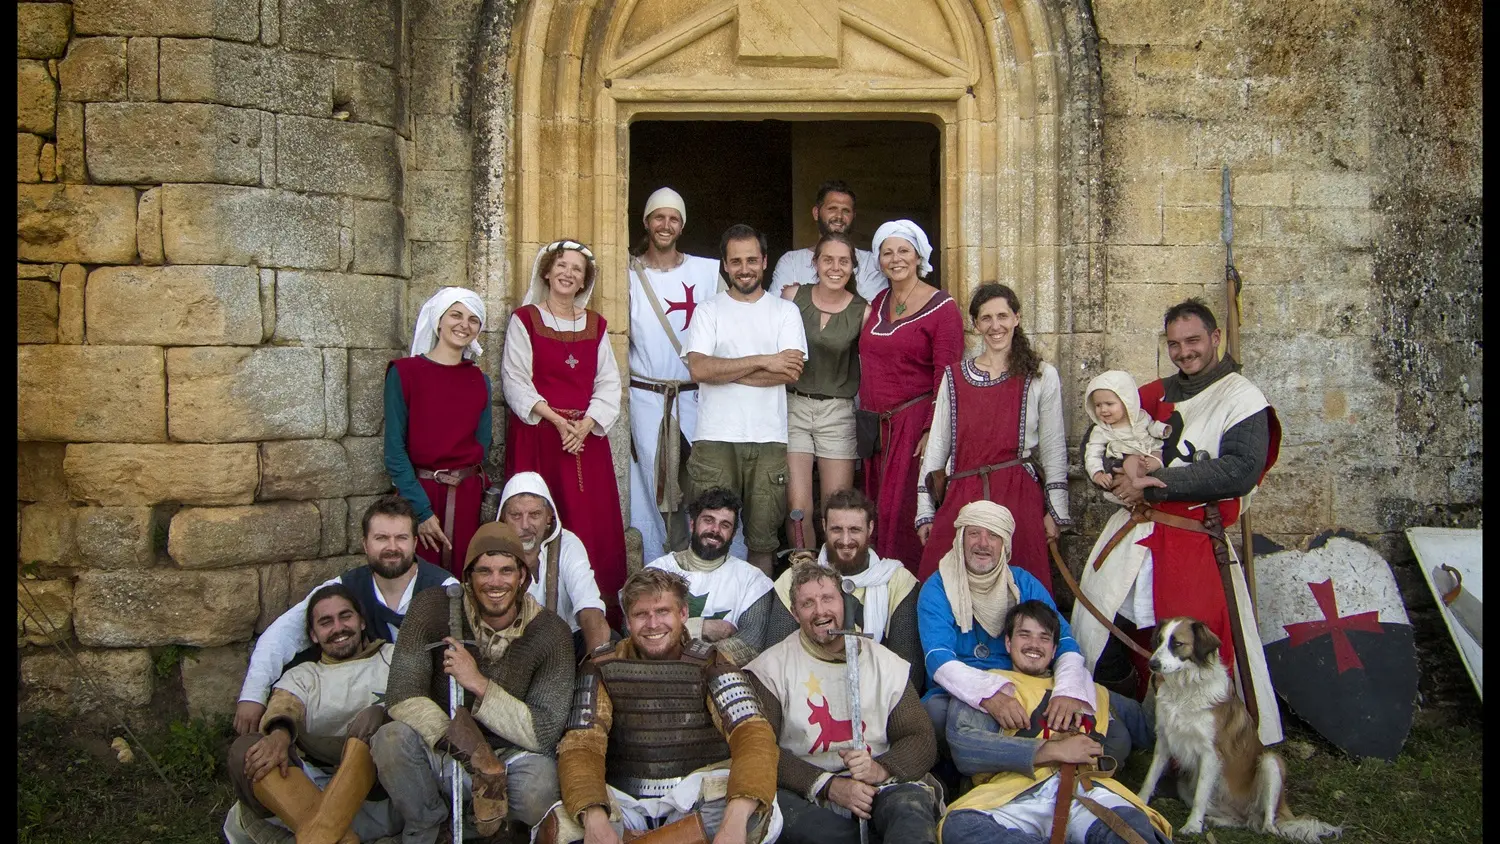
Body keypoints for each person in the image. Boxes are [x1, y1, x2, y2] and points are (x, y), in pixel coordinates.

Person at [1070, 298, 1282, 746]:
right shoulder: (1156, 392)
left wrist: (1154, 479)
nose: (1185, 352)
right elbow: (1101, 425)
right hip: (1136, 532)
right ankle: (1119, 725)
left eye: (1193, 341)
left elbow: (1239, 469)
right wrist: (1116, 476)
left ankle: (1197, 743)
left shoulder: (1242, 397)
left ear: (1215, 338)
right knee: (1098, 631)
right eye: (1175, 344)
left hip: (1192, 542)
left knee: (1190, 649)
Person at [538, 568, 783, 844]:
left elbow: (753, 735)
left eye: (663, 611)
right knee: (561, 828)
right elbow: (582, 745)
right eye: (641, 614)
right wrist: (595, 818)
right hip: (624, 801)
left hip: (695, 802)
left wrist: (734, 821)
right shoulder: (602, 666)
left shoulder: (710, 663)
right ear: (628, 621)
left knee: (760, 815)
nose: (653, 624)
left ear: (682, 614)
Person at [370, 521, 575, 840]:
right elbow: (403, 694)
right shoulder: (432, 608)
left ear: (521, 576)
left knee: (541, 789)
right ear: (468, 576)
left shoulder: (550, 633)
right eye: (484, 571)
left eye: (506, 571)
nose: (496, 582)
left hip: (510, 759)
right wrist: (469, 749)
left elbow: (541, 731)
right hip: (445, 751)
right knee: (390, 739)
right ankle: (429, 825)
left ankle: (481, 828)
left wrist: (478, 683)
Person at [938, 602, 1171, 844]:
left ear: (1055, 648)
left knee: (1132, 828)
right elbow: (965, 748)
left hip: (1089, 791)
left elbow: (1150, 729)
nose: (1034, 645)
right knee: (961, 827)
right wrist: (1052, 750)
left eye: (1044, 638)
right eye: (1024, 635)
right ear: (1008, 643)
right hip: (1015, 795)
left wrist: (1164, 682)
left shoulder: (1093, 691)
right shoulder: (989, 685)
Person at [745, 562, 939, 844]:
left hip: (878, 784)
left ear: (844, 602)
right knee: (787, 817)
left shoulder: (884, 664)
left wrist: (880, 769)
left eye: (827, 599)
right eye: (808, 603)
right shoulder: (771, 669)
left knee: (909, 811)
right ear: (795, 612)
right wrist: (828, 785)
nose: (820, 611)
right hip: (806, 788)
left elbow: (919, 737)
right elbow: (760, 750)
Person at [233, 495, 457, 737]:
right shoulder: (345, 588)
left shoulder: (445, 590)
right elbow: (281, 636)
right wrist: (253, 695)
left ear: (414, 542)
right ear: (365, 544)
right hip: (361, 713)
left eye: (401, 538)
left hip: (427, 713)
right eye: (381, 538)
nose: (392, 547)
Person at [502, 238, 628, 626]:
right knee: (534, 518)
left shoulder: (595, 326)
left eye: (577, 269)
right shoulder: (525, 319)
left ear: (583, 280)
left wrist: (586, 424)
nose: (568, 273)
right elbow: (516, 379)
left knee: (590, 523)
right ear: (547, 271)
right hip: (541, 436)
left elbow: (609, 383)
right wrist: (558, 421)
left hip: (585, 442)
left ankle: (594, 615)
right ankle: (528, 608)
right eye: (562, 265)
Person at [917, 502, 1096, 766]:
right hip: (963, 692)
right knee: (937, 714)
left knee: (1095, 707)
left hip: (1025, 685)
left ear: (1005, 545)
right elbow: (938, 660)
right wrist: (989, 695)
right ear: (960, 539)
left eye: (993, 535)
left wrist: (1068, 690)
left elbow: (1065, 641)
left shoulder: (1023, 583)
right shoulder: (938, 588)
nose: (983, 543)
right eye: (974, 533)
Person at [915, 283, 1071, 585]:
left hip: (1018, 494)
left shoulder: (1041, 375)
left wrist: (1055, 510)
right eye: (986, 318)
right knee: (942, 582)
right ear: (976, 324)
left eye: (1002, 316)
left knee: (1021, 587)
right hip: (962, 494)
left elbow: (1053, 447)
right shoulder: (954, 377)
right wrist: (926, 511)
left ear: (1017, 318)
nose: (995, 325)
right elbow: (936, 446)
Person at [224, 584, 400, 844]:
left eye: (346, 616)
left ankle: (320, 835)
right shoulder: (302, 675)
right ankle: (338, 838)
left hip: (378, 787)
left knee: (374, 718)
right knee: (247, 749)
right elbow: (285, 707)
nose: (338, 628)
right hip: (310, 788)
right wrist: (280, 735)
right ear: (314, 635)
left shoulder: (393, 657)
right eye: (326, 622)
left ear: (362, 622)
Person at [683, 224, 809, 575]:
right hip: (715, 437)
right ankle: (702, 618)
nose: (744, 268)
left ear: (765, 261)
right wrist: (764, 359)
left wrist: (726, 369)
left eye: (752, 260)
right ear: (725, 265)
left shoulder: (785, 312)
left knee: (763, 540)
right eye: (736, 261)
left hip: (768, 437)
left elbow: (790, 373)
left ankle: (757, 621)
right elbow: (699, 368)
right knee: (708, 536)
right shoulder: (709, 310)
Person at [858, 220, 964, 573]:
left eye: (903, 250)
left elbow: (946, 375)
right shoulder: (878, 301)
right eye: (887, 252)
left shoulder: (941, 306)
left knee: (904, 511)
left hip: (913, 426)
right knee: (875, 510)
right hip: (876, 430)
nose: (895, 258)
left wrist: (932, 430)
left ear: (919, 255)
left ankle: (907, 592)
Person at [628, 187, 725, 562]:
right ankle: (659, 561)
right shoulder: (629, 274)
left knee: (706, 480)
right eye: (658, 217)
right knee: (654, 485)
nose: (665, 225)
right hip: (648, 395)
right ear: (646, 221)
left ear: (682, 226)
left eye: (673, 219)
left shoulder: (705, 271)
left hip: (697, 394)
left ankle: (709, 559)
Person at [384, 287, 493, 575]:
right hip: (420, 494)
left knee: (466, 578)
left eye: (473, 320)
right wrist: (421, 510)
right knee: (420, 579)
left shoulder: (479, 381)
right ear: (439, 320)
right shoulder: (404, 373)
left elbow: (482, 444)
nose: (464, 325)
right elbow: (395, 451)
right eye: (455, 315)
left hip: (466, 497)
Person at [774, 488, 923, 692]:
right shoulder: (793, 580)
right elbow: (778, 662)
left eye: (854, 529)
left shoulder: (897, 581)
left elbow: (907, 670)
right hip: (808, 691)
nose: (845, 541)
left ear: (870, 528)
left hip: (879, 693)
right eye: (836, 529)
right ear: (824, 526)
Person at [779, 232, 870, 549]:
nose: (835, 267)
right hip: (795, 405)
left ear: (853, 267)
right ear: (815, 263)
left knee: (836, 508)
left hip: (838, 410)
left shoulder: (863, 312)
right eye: (827, 259)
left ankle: (834, 578)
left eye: (843, 261)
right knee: (798, 509)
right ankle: (803, 571)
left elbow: (879, 363)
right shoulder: (793, 296)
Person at [644, 486, 778, 657]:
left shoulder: (752, 580)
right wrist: (700, 628)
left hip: (724, 675)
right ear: (692, 524)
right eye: (708, 520)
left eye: (725, 525)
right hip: (662, 671)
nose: (715, 530)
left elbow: (749, 645)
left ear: (733, 533)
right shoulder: (657, 572)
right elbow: (637, 630)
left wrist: (688, 656)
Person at [497, 471, 612, 655]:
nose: (525, 525)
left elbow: (589, 608)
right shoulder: (491, 551)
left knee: (610, 641)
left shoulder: (567, 544)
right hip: (513, 649)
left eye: (534, 514)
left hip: (566, 642)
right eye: (516, 515)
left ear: (549, 516)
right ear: (503, 517)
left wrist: (596, 662)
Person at [769, 180, 888, 302]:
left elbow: (875, 311)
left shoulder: (870, 263)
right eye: (832, 209)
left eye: (846, 210)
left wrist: (801, 296)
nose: (839, 216)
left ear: (854, 216)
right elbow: (777, 309)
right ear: (816, 213)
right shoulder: (791, 261)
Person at [1083, 371, 1170, 492]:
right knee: (1131, 458)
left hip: (1147, 450)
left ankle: (1145, 471)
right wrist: (1097, 473)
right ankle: (1136, 479)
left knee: (1158, 456)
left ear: (1126, 402)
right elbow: (1092, 452)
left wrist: (1161, 430)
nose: (1103, 409)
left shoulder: (1141, 416)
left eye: (1109, 404)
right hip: (1128, 455)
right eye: (1098, 405)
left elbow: (1150, 427)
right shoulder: (1102, 430)